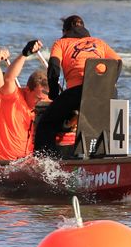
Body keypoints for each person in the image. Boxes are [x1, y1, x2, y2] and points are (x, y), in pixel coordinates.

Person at [33, 15, 120, 155]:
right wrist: (111, 83)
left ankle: (47, 164)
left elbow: (54, 67)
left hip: (79, 92)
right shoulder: (99, 42)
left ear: (64, 31)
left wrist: (54, 94)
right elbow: (118, 62)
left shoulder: (61, 43)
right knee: (102, 124)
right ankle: (107, 157)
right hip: (107, 93)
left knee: (46, 124)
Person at [0, 40, 51, 161]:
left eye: (43, 99)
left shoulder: (44, 101)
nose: (40, 102)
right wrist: (24, 54)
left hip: (24, 162)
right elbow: (9, 79)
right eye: (37, 98)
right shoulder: (13, 97)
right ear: (27, 90)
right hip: (1, 162)